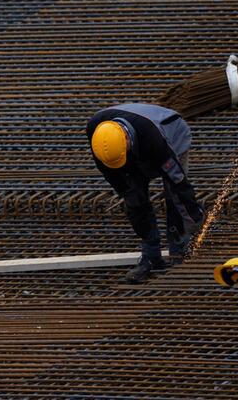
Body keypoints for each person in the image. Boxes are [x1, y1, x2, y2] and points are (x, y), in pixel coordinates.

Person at [87, 103, 204, 283]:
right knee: (134, 199)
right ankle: (151, 256)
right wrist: (129, 193)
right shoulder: (96, 132)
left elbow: (178, 183)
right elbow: (114, 177)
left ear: (127, 140)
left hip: (172, 134)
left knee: (174, 196)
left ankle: (179, 251)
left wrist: (195, 218)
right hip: (131, 152)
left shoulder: (153, 138)